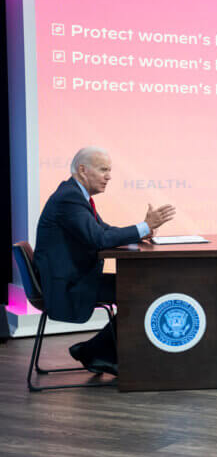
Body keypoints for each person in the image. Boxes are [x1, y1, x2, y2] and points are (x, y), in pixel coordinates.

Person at [34, 147, 176, 376]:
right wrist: (143, 227)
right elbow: (99, 239)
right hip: (67, 286)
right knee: (141, 293)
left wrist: (143, 231)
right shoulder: (69, 198)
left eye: (109, 171)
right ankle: (96, 352)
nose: (109, 177)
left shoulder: (76, 195)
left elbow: (104, 230)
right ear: (83, 170)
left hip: (76, 278)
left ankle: (94, 351)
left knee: (141, 289)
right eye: (103, 170)